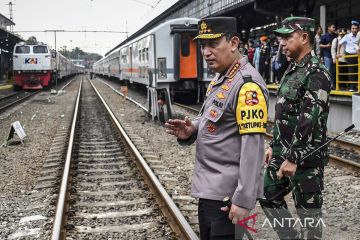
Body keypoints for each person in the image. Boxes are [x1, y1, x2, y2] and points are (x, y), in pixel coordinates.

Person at [165, 16, 268, 240]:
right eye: (203, 45)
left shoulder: (247, 86)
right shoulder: (220, 80)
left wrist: (243, 199)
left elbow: (253, 148)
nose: (206, 52)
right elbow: (211, 120)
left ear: (233, 43)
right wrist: (191, 129)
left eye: (213, 44)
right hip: (210, 191)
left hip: (228, 199)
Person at [259, 16, 331, 240]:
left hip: (306, 159)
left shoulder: (317, 73)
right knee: (267, 194)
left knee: (310, 221)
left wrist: (293, 157)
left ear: (304, 37)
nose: (282, 43)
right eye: (281, 38)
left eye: (288, 37)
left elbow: (309, 118)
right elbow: (285, 114)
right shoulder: (293, 69)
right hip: (283, 152)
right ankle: (290, 237)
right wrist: (275, 144)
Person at [339, 20, 359, 91]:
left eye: (356, 28)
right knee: (351, 71)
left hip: (357, 56)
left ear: (358, 29)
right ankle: (351, 87)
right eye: (353, 28)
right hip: (349, 55)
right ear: (351, 29)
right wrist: (338, 53)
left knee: (357, 70)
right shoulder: (347, 36)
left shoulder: (358, 36)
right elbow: (340, 44)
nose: (354, 30)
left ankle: (356, 85)